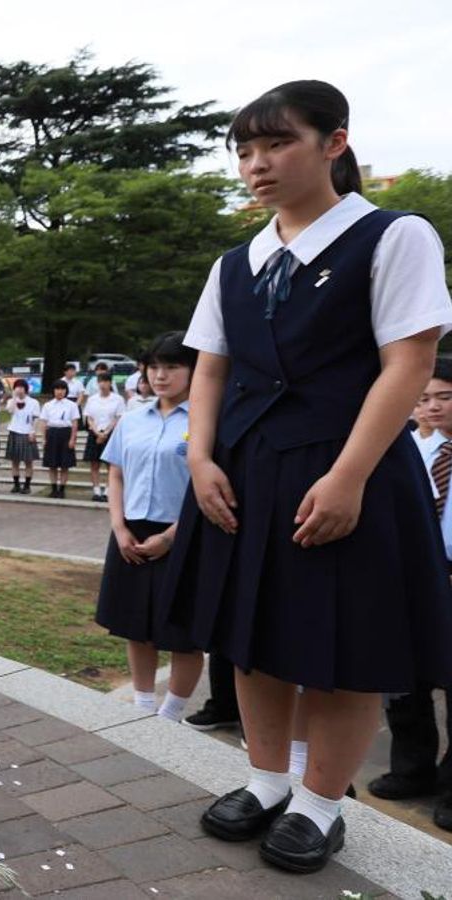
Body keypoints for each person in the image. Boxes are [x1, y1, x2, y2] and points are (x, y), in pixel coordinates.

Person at [164, 81, 452, 874]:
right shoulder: (235, 263)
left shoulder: (394, 236)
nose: (257, 165)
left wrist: (351, 475)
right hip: (247, 471)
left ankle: (322, 804)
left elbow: (409, 362)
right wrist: (199, 456)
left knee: (346, 641)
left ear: (334, 143)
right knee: (253, 639)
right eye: (245, 151)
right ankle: (263, 781)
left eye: (276, 144)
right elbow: (211, 369)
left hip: (349, 467)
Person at [94, 332, 204, 721]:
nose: (160, 375)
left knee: (183, 632)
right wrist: (119, 528)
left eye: (172, 366)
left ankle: (171, 713)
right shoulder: (133, 418)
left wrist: (172, 537)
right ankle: (142, 704)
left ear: (193, 370)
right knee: (135, 624)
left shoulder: (207, 423)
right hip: (132, 531)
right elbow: (116, 475)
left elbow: (208, 488)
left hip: (187, 534)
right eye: (154, 366)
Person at [366, 358, 452, 830]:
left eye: (443, 396)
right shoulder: (405, 448)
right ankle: (411, 769)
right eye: (423, 398)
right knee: (405, 678)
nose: (432, 406)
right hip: (411, 572)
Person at [84, 373, 127, 502]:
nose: (102, 384)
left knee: (110, 464)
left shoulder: (118, 399)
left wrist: (106, 432)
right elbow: (89, 417)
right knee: (94, 463)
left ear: (110, 383)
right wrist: (97, 432)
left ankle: (109, 491)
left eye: (105, 381)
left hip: (111, 434)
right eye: (100, 382)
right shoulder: (92, 399)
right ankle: (96, 490)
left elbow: (118, 417)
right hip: (95, 433)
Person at [39, 381, 79, 498]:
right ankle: (53, 489)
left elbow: (75, 423)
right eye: (57, 389)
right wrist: (43, 438)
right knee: (52, 464)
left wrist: (72, 439)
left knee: (65, 465)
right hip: (52, 434)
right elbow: (43, 422)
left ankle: (62, 489)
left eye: (62, 389)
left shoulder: (72, 405)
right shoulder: (48, 405)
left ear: (66, 391)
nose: (60, 391)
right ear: (53, 391)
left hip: (66, 433)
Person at [4, 380, 41, 494]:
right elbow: (10, 410)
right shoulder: (11, 401)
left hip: (27, 433)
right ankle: (16, 485)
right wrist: (14, 397)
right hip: (14, 432)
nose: (19, 389)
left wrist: (33, 431)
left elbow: (36, 418)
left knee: (28, 461)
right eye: (17, 387)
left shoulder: (34, 402)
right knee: (14, 461)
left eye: (21, 387)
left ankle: (27, 485)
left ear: (26, 388)